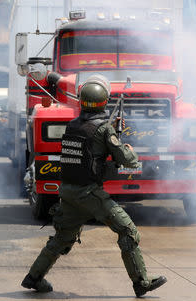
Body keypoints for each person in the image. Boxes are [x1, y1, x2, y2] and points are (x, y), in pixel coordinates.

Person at [21, 75, 167, 298]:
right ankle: (141, 282)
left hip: (69, 191)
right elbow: (127, 159)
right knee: (128, 231)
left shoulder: (72, 125)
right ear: (104, 102)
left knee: (61, 239)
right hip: (89, 193)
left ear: (82, 101)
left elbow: (88, 152)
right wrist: (125, 145)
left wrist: (110, 133)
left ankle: (33, 278)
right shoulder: (104, 130)